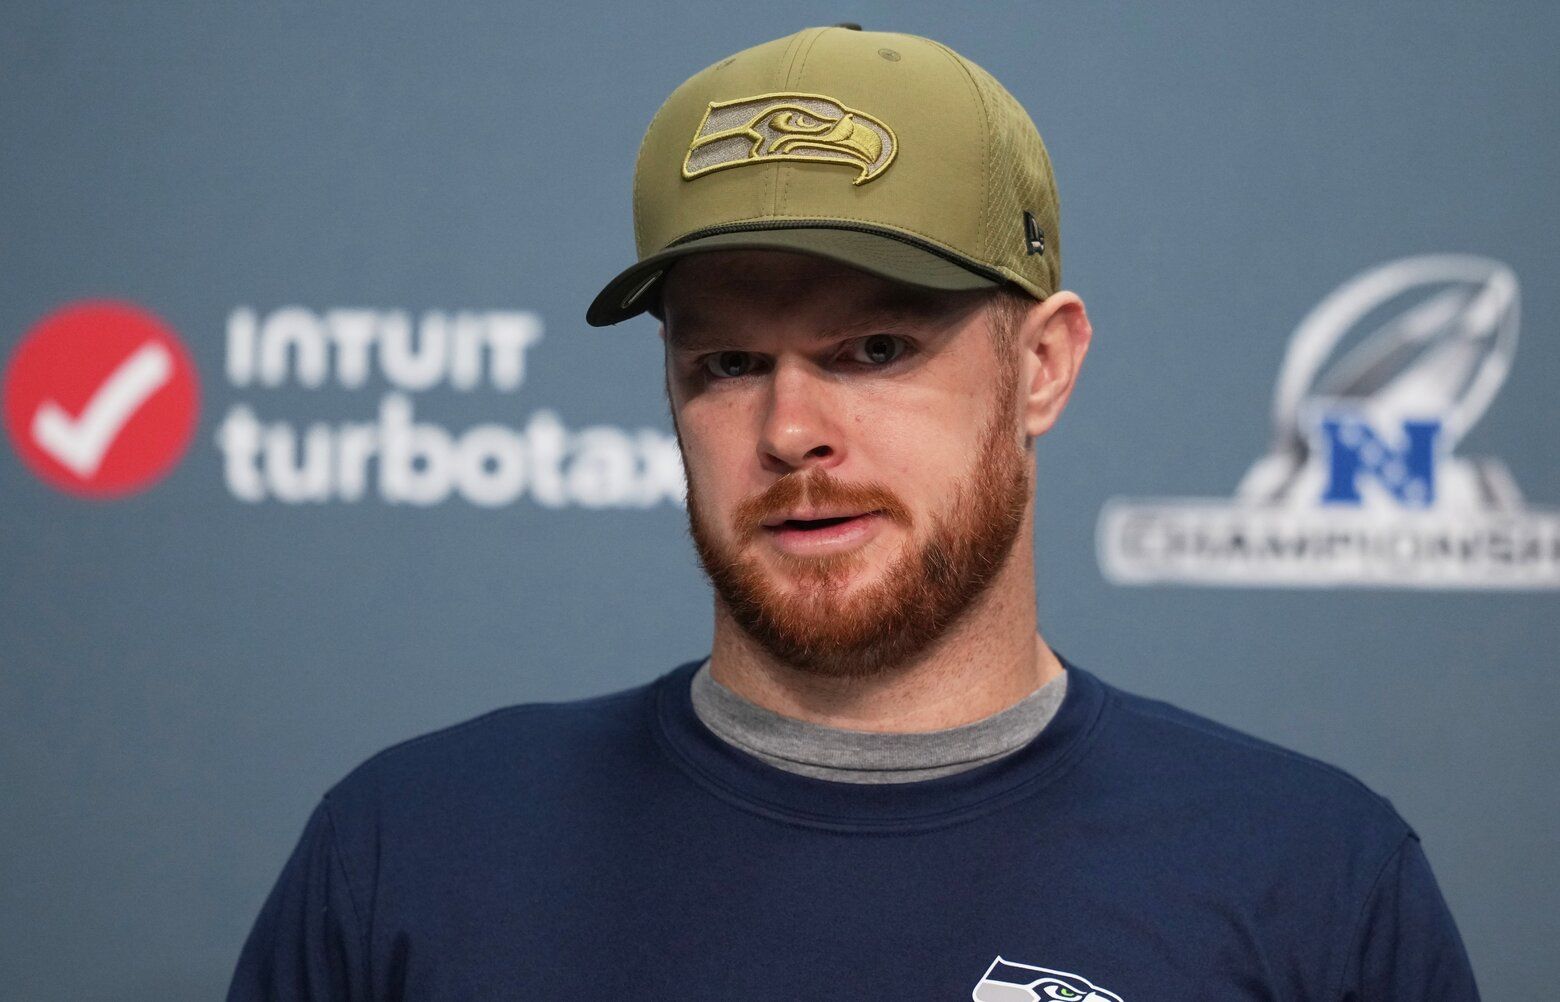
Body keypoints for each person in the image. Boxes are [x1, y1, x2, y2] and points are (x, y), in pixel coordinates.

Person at [227, 24, 1480, 1000]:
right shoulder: (415, 852)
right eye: (726, 364)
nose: (790, 431)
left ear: (1043, 365)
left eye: (875, 347)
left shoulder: (1311, 876)